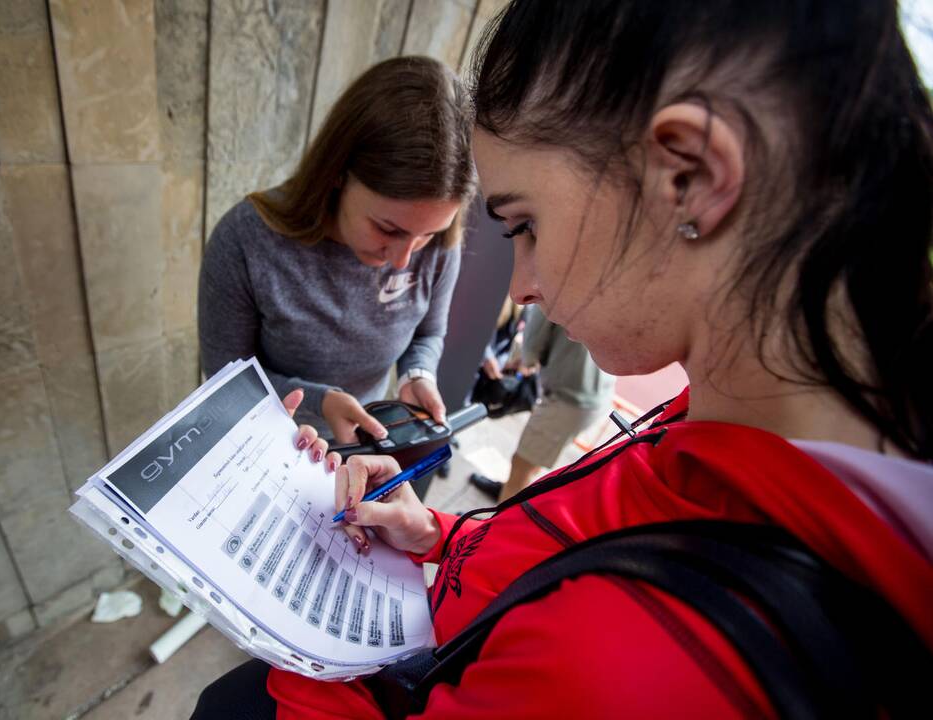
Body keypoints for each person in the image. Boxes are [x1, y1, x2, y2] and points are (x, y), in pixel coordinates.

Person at [195, 1, 933, 717]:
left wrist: (310, 626)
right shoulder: (728, 425)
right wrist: (447, 540)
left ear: (691, 178)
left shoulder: (619, 672)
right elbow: (583, 538)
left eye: (525, 225)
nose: (521, 287)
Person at [199, 56, 476, 455]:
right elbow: (225, 383)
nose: (403, 259)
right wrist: (318, 400)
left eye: (426, 235)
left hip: (365, 449)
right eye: (388, 229)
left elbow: (428, 333)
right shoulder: (247, 240)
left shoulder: (437, 244)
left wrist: (417, 375)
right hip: (265, 450)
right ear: (337, 173)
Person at [470, 305, 615, 503]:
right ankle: (509, 492)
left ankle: (494, 522)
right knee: (532, 461)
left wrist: (517, 361)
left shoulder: (556, 290)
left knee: (521, 466)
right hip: (596, 395)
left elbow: (532, 348)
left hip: (568, 399)